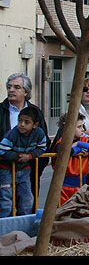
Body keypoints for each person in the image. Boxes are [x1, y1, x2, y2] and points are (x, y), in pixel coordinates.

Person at [0, 73, 50, 207]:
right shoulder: (1, 111)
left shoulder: (35, 112)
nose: (11, 90)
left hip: (29, 171)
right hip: (4, 171)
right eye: (9, 87)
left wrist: (34, 163)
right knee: (5, 206)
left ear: (26, 92)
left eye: (16, 87)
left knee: (27, 205)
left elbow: (43, 141)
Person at [0, 106, 47, 216]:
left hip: (24, 171)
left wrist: (30, 156)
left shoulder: (39, 134)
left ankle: (24, 224)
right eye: (20, 121)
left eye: (27, 122)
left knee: (27, 198)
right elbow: (2, 150)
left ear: (35, 125)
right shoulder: (12, 134)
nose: (22, 124)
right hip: (7, 171)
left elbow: (42, 148)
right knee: (6, 200)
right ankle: (5, 226)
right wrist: (16, 156)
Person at [52, 112, 89, 205]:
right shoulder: (61, 142)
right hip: (64, 188)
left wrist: (79, 144)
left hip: (82, 186)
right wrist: (79, 149)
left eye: (82, 126)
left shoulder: (84, 140)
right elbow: (65, 152)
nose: (83, 130)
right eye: (79, 127)